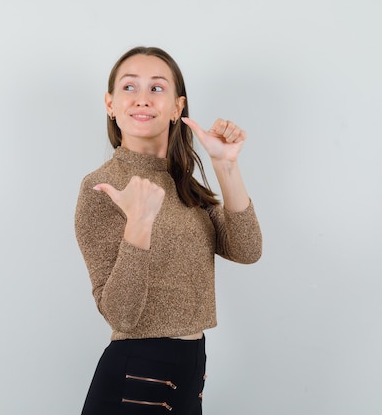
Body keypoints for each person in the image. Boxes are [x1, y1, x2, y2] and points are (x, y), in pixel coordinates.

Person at [74, 46, 263, 415]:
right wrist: (139, 225)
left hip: (190, 375)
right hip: (135, 380)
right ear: (110, 104)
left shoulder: (184, 184)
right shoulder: (102, 186)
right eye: (129, 87)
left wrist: (225, 166)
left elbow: (247, 249)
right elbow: (121, 315)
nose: (142, 98)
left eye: (157, 88)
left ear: (178, 107)